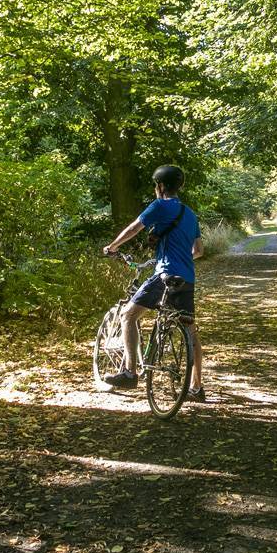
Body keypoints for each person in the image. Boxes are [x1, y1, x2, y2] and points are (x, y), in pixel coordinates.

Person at [102, 165, 205, 401]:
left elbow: (134, 228)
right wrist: (182, 259)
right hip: (186, 278)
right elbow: (199, 250)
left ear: (160, 186)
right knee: (190, 331)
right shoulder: (190, 214)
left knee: (128, 315)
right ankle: (197, 387)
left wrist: (113, 246)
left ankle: (129, 373)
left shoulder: (160, 205)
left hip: (164, 275)